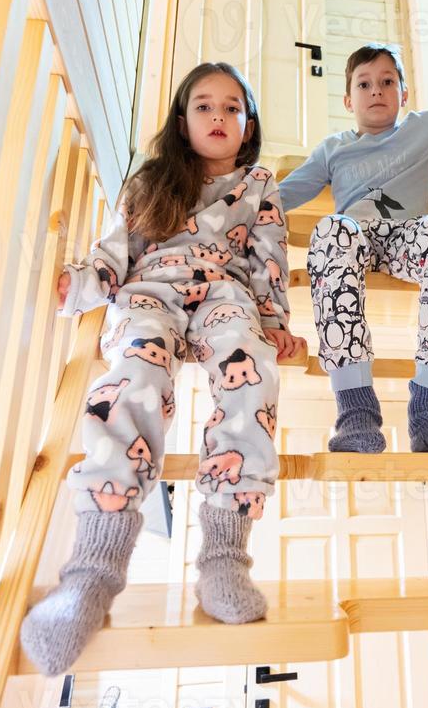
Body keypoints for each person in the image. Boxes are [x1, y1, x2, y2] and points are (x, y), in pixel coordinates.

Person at [20, 62, 303, 676]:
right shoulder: (152, 179)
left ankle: (224, 558)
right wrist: (84, 285)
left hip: (225, 293)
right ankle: (91, 576)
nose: (219, 116)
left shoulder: (259, 185)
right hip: (150, 293)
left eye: (233, 107)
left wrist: (275, 320)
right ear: (183, 121)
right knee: (134, 379)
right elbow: (116, 248)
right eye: (204, 106)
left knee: (249, 368)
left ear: (248, 124)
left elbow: (268, 260)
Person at [277, 21, 428, 457]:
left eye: (387, 82)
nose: (376, 91)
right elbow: (285, 194)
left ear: (404, 94)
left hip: (409, 238)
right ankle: (355, 414)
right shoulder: (334, 148)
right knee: (331, 231)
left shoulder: (422, 127)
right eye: (364, 84)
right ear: (348, 99)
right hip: (352, 241)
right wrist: (228, 207)